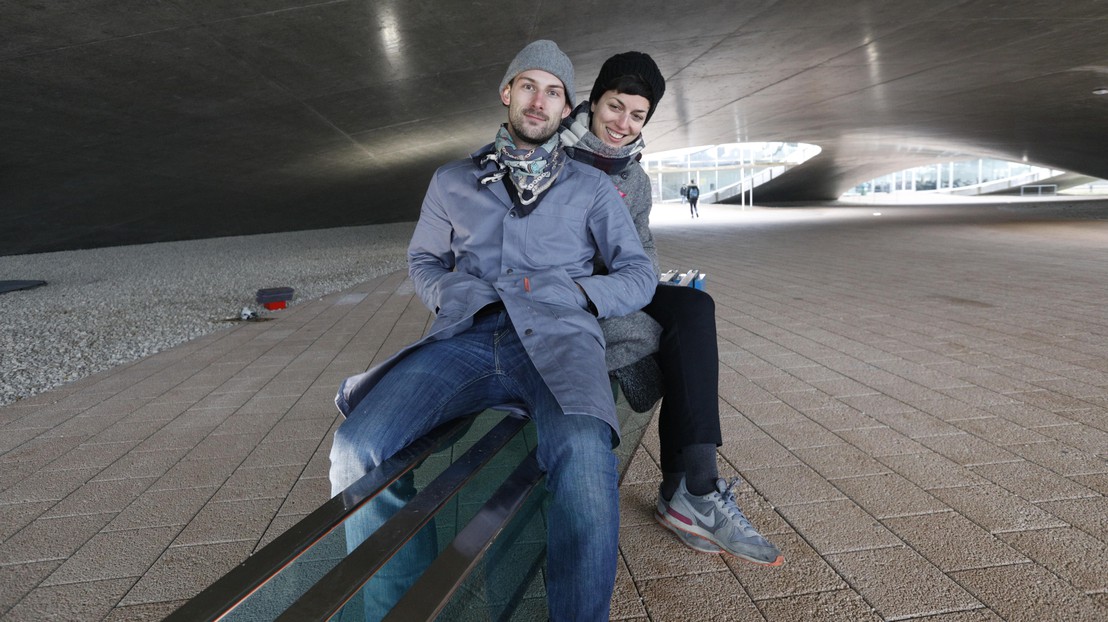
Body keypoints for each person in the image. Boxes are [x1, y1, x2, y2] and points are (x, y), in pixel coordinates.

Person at [328, 40, 657, 620]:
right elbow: (424, 261)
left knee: (584, 461)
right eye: (528, 86)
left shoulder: (591, 189)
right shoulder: (451, 181)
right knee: (359, 448)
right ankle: (398, 607)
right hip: (469, 340)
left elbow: (639, 274)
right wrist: (452, 295)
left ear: (566, 109)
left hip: (561, 339)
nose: (539, 101)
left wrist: (578, 294)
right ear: (507, 93)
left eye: (553, 92)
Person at [559, 51, 783, 566]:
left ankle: (697, 486)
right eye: (615, 107)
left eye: (637, 116)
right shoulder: (555, 156)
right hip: (572, 292)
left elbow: (640, 257)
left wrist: (633, 289)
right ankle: (685, 492)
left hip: (617, 282)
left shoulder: (633, 177)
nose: (622, 124)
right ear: (591, 102)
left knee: (693, 307)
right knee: (672, 338)